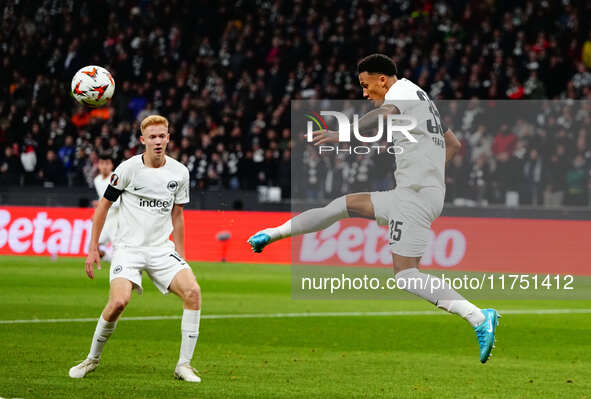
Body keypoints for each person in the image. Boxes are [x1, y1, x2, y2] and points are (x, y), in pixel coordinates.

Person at [248, 54, 500, 363]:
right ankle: (272, 234)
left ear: (383, 79)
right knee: (340, 206)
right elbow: (454, 145)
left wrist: (341, 134)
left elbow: (384, 113)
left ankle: (478, 317)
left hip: (415, 196)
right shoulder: (420, 96)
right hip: (412, 192)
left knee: (406, 275)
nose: (365, 93)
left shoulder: (400, 93)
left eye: (367, 86)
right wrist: (429, 172)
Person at [69, 115, 202, 382]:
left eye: (162, 136)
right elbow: (103, 207)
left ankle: (183, 365)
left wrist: (181, 255)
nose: (158, 141)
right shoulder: (128, 169)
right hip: (128, 248)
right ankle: (91, 359)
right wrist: (93, 248)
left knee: (193, 292)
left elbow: (178, 215)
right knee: (119, 302)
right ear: (143, 140)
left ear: (168, 138)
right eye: (152, 137)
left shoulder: (179, 172)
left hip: (160, 249)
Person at [92, 152, 118, 261]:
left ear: (112, 165)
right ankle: (109, 258)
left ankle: (119, 265)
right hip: (105, 219)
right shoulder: (97, 180)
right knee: (93, 246)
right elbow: (101, 198)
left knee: (119, 248)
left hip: (116, 219)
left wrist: (102, 203)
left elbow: (119, 201)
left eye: (107, 163)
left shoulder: (115, 179)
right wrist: (96, 211)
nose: (104, 166)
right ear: (98, 165)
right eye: (102, 163)